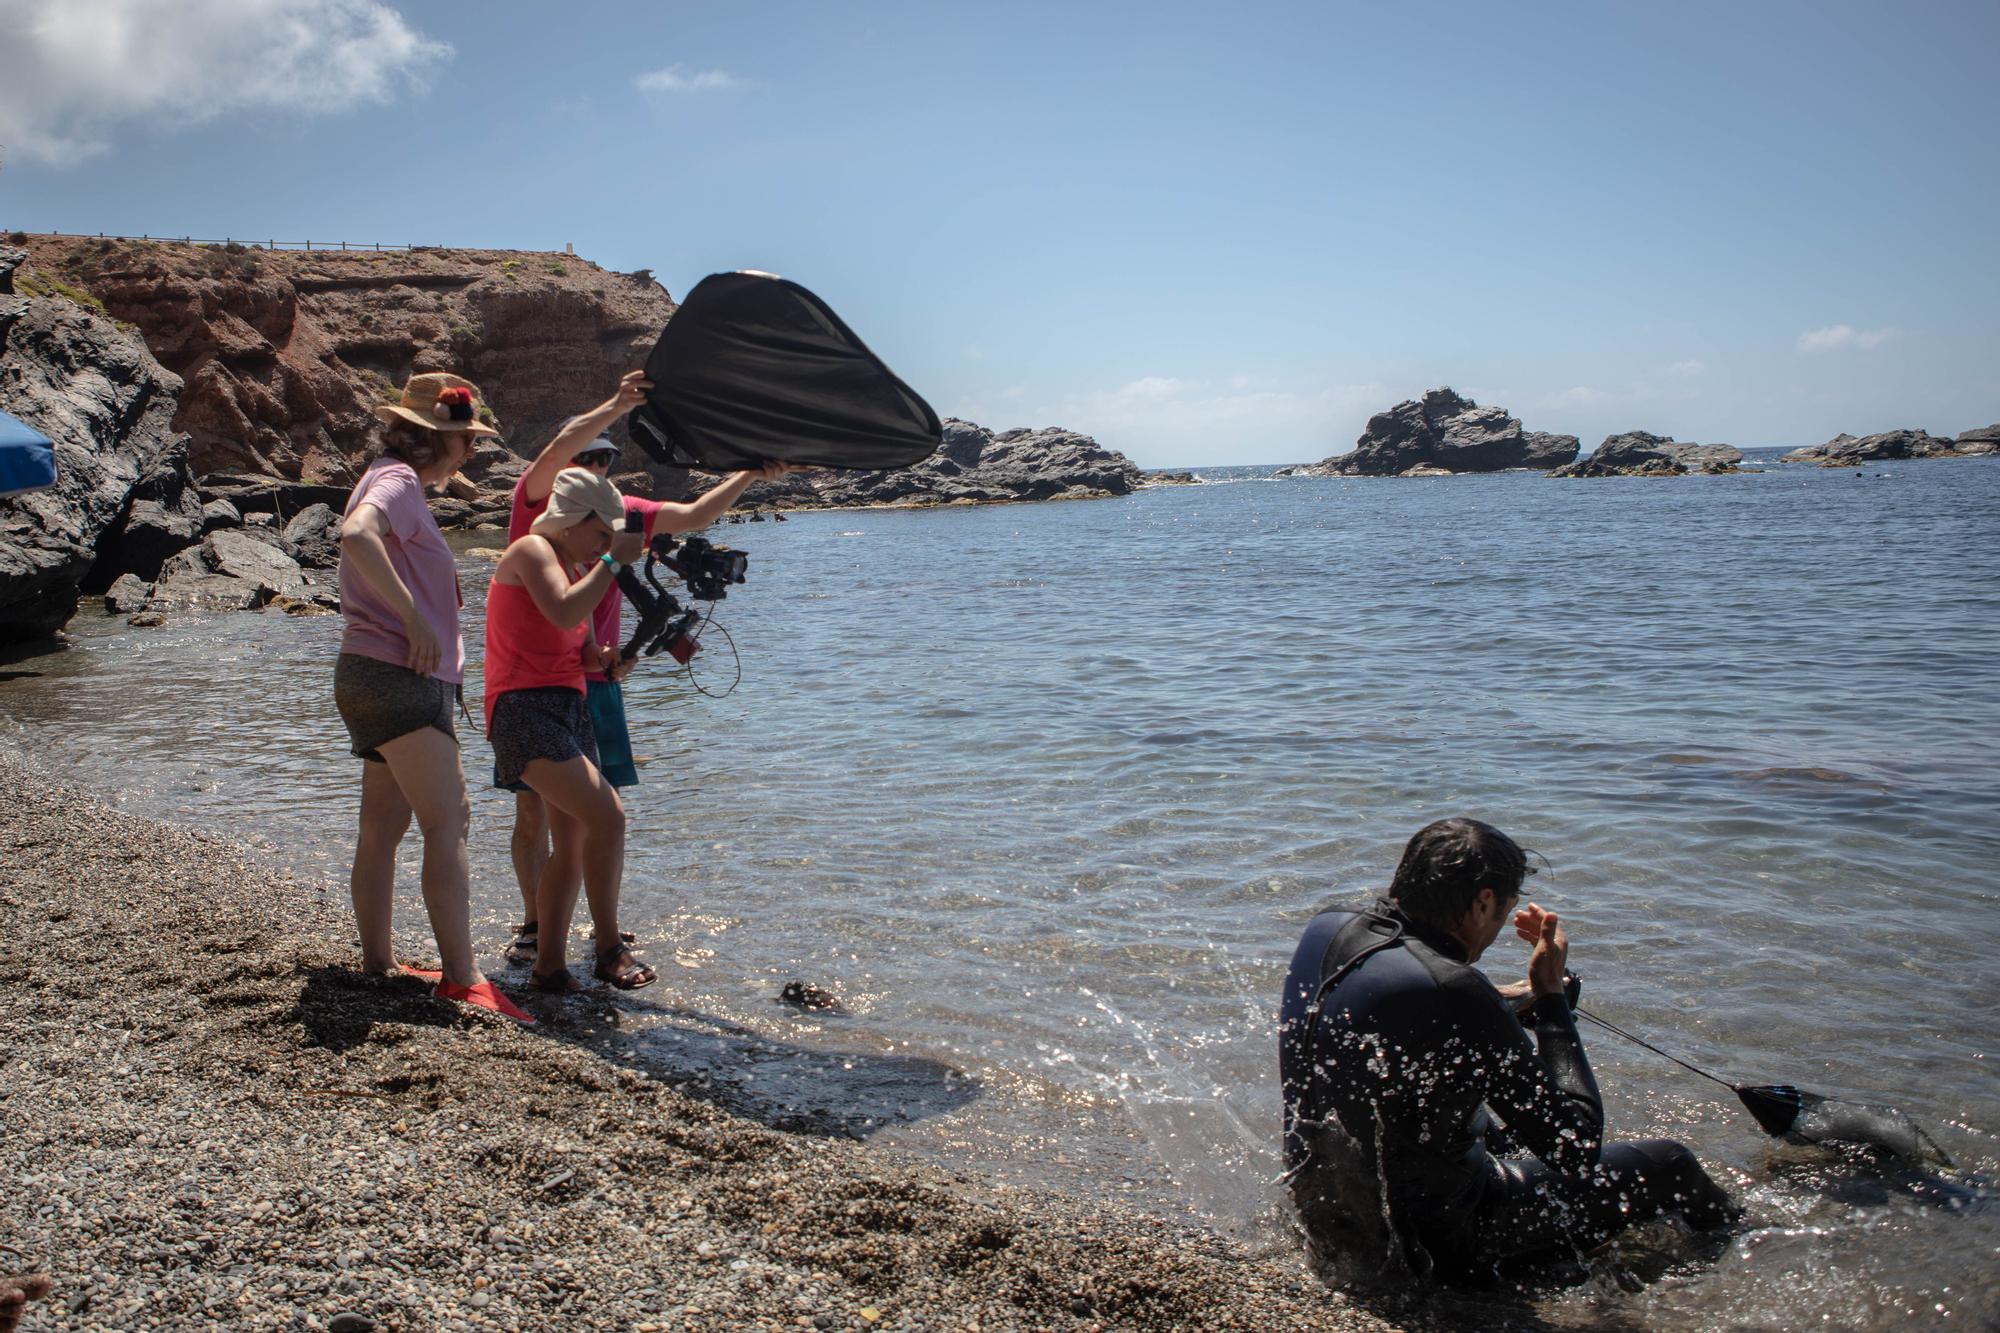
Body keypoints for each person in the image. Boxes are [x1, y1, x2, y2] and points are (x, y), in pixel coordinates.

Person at [1278, 817, 1732, 1284]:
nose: (1496, 928)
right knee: (1671, 1164)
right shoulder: (1455, 989)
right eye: (1504, 910)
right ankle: (1740, 1256)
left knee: (1489, 1126)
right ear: (1484, 901)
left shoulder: (1330, 926)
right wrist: (1552, 1000)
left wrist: (1509, 1003)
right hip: (1428, 1244)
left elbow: (1414, 1016)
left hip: (1329, 1210)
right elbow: (1575, 1148)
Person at [497, 370, 797, 967]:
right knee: (536, 810)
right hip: (532, 682)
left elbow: (694, 515)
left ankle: (594, 934)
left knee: (588, 820)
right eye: (586, 458)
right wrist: (616, 403)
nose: (596, 468)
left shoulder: (618, 512)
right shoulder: (539, 509)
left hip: (590, 676)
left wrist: (749, 474)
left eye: (605, 460)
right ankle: (537, 927)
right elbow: (558, 457)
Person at [334, 372, 530, 1023]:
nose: (471, 453)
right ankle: (463, 975)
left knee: (382, 829)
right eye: (465, 441)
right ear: (437, 439)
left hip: (368, 677)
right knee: (451, 821)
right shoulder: (401, 481)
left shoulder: (390, 475)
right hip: (399, 679)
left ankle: (378, 960)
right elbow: (357, 535)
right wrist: (415, 614)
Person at [486, 466, 657, 991]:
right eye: (600, 532)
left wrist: (607, 661)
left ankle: (550, 968)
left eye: (610, 536)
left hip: (568, 707)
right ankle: (609, 950)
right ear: (571, 521)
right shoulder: (532, 552)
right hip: (523, 711)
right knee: (609, 816)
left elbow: (573, 647)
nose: (605, 543)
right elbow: (562, 612)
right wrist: (611, 560)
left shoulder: (569, 566)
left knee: (575, 839)